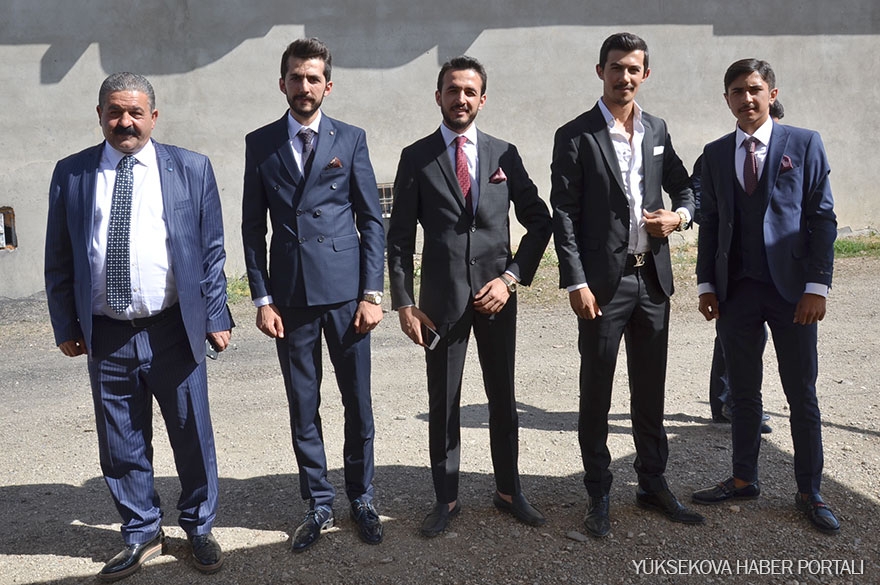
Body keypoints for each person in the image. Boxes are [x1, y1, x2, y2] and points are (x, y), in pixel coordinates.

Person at [45, 72, 233, 581]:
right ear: (100, 115)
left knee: (192, 433)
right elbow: (58, 257)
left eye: (134, 112)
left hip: (175, 327)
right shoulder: (72, 173)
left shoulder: (191, 167)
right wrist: (65, 322)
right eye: (114, 112)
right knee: (120, 439)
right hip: (106, 332)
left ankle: (198, 526)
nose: (124, 122)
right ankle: (142, 530)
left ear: (154, 115)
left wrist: (215, 315)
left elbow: (212, 251)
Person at [387, 55, 552, 537]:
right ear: (438, 96)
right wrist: (404, 302)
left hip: (497, 298)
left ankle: (509, 491)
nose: (460, 99)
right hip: (441, 304)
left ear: (482, 98)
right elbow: (399, 238)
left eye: (469, 91)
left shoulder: (504, 154)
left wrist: (511, 278)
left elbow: (539, 221)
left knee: (503, 396)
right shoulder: (416, 157)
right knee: (444, 401)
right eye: (452, 90)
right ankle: (446, 498)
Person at [550, 32, 705, 538]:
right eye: (616, 67)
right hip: (602, 287)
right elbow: (563, 213)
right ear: (601, 71)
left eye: (633, 68)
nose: (624, 76)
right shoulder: (575, 135)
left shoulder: (656, 128)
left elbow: (686, 184)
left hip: (652, 279)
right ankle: (598, 491)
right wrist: (575, 281)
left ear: (645, 74)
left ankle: (652, 483)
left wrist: (680, 217)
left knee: (650, 389)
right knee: (596, 390)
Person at [241, 38, 385, 551]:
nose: (305, 86)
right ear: (282, 83)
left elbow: (371, 219)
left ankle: (362, 497)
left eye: (313, 78)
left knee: (358, 403)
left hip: (347, 296)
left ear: (328, 85)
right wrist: (262, 299)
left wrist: (372, 293)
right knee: (303, 404)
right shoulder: (260, 143)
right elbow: (252, 228)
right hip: (292, 297)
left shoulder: (351, 138)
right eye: (296, 78)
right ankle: (319, 502)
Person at [691, 59, 840, 534]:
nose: (747, 99)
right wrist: (706, 284)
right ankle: (743, 478)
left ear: (772, 94)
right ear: (727, 99)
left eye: (755, 89)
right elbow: (711, 222)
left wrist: (816, 286)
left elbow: (822, 218)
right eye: (737, 92)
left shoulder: (804, 143)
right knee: (742, 393)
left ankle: (810, 491)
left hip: (792, 293)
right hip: (736, 292)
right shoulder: (716, 153)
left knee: (801, 393)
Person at [692, 101, 786, 434]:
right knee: (735, 339)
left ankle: (726, 402)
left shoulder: (780, 153)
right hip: (731, 269)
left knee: (737, 339)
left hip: (770, 272)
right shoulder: (720, 154)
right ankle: (731, 403)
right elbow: (701, 200)